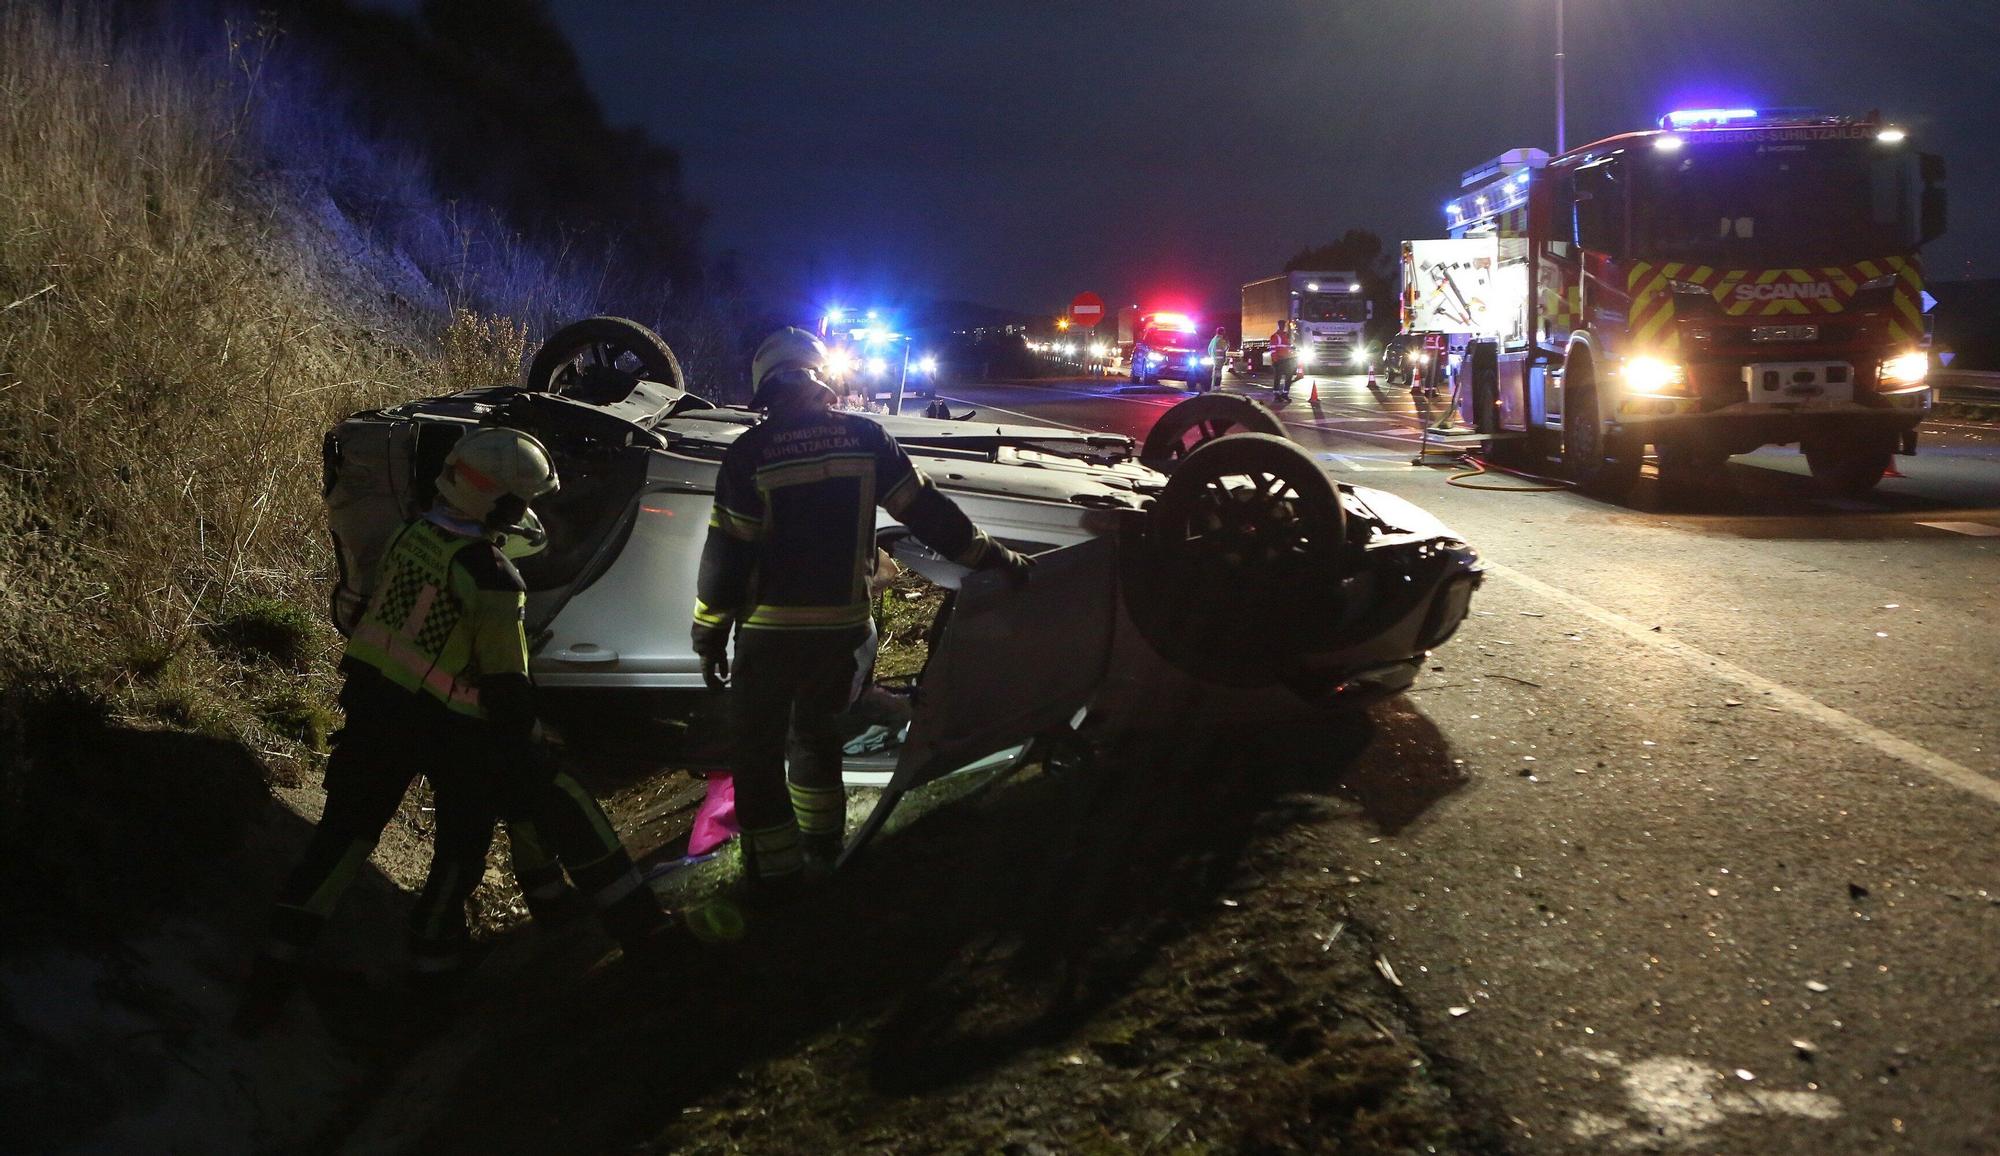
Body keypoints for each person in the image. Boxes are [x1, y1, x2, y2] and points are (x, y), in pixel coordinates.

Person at [238, 428, 676, 1032]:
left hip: (375, 708)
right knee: (481, 837)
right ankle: (633, 935)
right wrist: (528, 744)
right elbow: (505, 683)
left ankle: (269, 982)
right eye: (520, 501)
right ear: (499, 503)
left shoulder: (412, 533)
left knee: (340, 844)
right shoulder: (494, 580)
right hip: (456, 731)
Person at [693, 328, 1031, 899]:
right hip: (842, 630)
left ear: (766, 387)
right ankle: (825, 854)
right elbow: (929, 512)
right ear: (821, 375)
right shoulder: (866, 438)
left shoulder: (750, 453)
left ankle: (775, 879)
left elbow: (728, 552)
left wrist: (708, 633)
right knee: (817, 741)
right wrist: (992, 557)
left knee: (757, 754)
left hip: (770, 636)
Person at [1269, 322, 1297, 400]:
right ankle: (1277, 394)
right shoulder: (1275, 336)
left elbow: (1290, 347)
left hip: (1287, 360)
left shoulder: (1286, 336)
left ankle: (1285, 393)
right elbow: (1273, 350)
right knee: (1278, 377)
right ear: (1278, 326)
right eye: (1281, 325)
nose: (1282, 327)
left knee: (1288, 377)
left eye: (1283, 325)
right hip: (1279, 360)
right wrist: (1275, 360)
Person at [1205, 328, 1228, 394]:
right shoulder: (1221, 340)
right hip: (1219, 360)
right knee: (1218, 374)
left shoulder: (1213, 339)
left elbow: (1209, 349)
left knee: (1214, 373)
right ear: (1222, 332)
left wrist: (1212, 356)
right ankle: (1217, 386)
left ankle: (1213, 386)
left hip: (1214, 359)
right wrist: (1227, 343)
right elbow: (1225, 348)